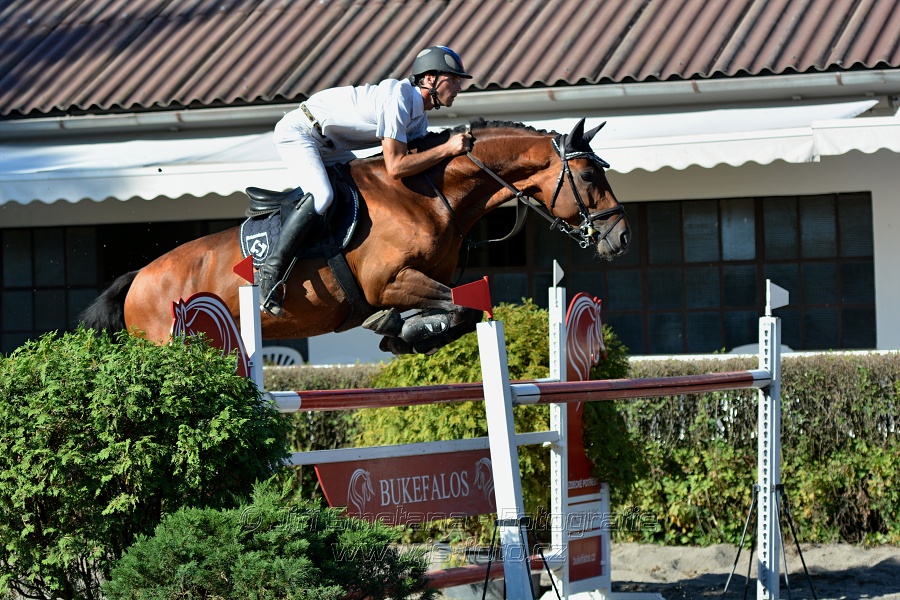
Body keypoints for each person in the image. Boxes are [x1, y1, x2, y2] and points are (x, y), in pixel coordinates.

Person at [259, 46, 475, 317]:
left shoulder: (418, 116)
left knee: (363, 195)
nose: (457, 87)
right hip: (302, 132)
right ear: (430, 79)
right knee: (323, 196)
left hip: (332, 144)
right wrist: (449, 148)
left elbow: (419, 161)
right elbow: (396, 167)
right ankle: (272, 271)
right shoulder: (398, 101)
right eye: (453, 80)